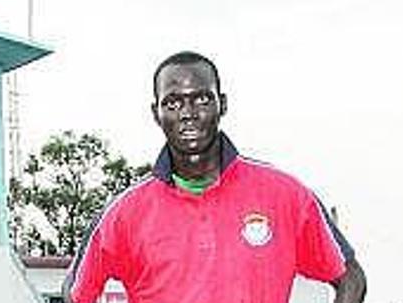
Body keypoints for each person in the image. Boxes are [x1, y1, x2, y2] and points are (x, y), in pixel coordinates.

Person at [64, 51, 366, 303]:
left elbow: (350, 278)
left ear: (223, 103)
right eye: (173, 102)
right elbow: (74, 293)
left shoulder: (286, 194)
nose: (188, 113)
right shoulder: (122, 213)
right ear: (156, 113)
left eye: (202, 99)